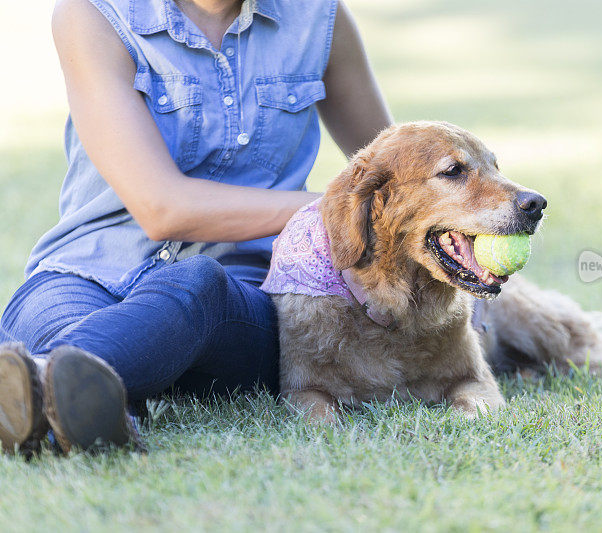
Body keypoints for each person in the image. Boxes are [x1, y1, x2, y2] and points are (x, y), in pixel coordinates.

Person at [0, 0, 392, 454]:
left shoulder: (317, 19)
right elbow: (162, 208)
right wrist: (340, 207)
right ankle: (71, 396)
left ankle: (49, 391)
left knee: (198, 284)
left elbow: (400, 177)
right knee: (70, 332)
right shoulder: (92, 13)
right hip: (87, 273)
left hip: (236, 297)